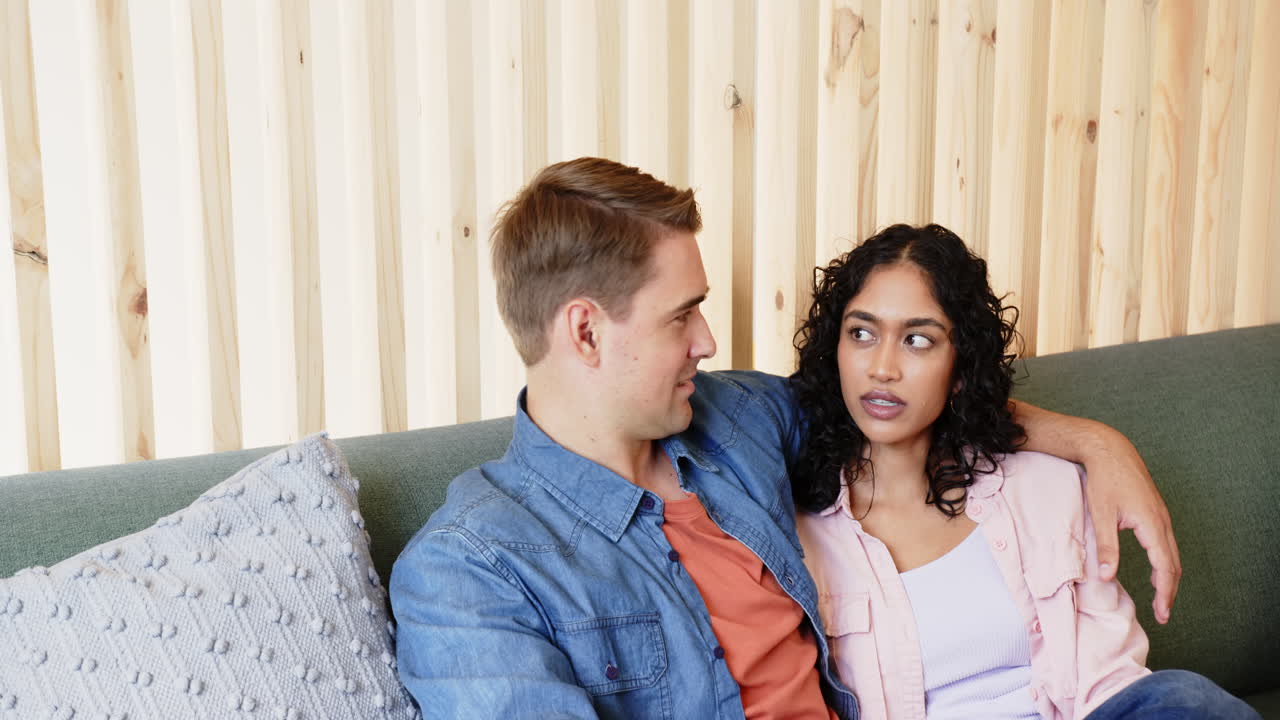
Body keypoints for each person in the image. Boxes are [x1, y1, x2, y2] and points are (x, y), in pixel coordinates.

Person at [389, 158, 1183, 719]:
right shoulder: (468, 571)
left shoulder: (737, 422)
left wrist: (1095, 444)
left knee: (1182, 702)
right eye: (681, 316)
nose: (707, 341)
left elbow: (903, 400)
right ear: (586, 332)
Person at [792, 224, 1257, 719]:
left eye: (918, 340)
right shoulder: (796, 533)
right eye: (861, 333)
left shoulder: (1045, 485)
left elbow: (1109, 681)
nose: (882, 367)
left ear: (960, 368)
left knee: (1185, 696)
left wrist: (1102, 445)